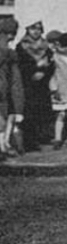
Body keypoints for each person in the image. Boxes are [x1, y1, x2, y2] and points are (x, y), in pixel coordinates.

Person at [16, 20, 55, 151]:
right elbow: (21, 65)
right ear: (28, 30)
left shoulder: (46, 46)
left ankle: (42, 137)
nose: (36, 31)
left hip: (43, 84)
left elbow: (52, 64)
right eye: (33, 28)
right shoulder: (22, 46)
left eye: (39, 28)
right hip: (28, 83)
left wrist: (44, 72)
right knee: (30, 112)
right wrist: (35, 70)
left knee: (42, 111)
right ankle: (30, 142)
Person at [0, 17, 24, 158]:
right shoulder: (9, 53)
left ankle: (3, 146)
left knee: (5, 118)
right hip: (4, 90)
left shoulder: (10, 53)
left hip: (4, 91)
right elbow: (16, 82)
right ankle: (3, 146)